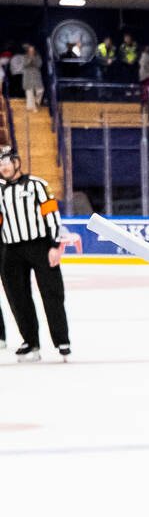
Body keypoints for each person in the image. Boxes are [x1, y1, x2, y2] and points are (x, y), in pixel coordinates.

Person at [0, 146, 71, 361]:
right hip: (10, 250)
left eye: (6, 162)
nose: (3, 167)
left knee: (52, 294)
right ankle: (31, 343)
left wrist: (54, 245)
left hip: (40, 246)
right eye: (0, 164)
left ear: (16, 163)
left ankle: (62, 341)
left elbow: (52, 215)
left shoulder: (37, 185)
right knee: (17, 298)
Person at [19, 44, 43, 111]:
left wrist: (34, 60)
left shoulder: (37, 57)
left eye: (33, 50)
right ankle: (33, 107)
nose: (32, 51)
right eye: (30, 50)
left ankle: (36, 102)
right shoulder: (25, 57)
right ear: (28, 51)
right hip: (28, 76)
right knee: (29, 92)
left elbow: (39, 65)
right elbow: (24, 65)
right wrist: (29, 60)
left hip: (36, 75)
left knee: (40, 90)